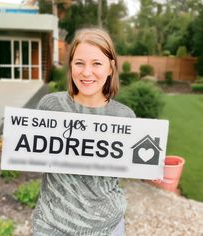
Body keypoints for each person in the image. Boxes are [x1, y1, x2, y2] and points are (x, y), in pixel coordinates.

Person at [32, 28, 135, 236]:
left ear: (110, 68)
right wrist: (11, 145)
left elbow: (129, 165)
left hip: (107, 227)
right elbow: (33, 154)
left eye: (97, 63)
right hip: (52, 226)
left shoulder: (124, 117)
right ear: (71, 66)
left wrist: (151, 169)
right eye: (79, 63)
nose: (87, 72)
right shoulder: (50, 106)